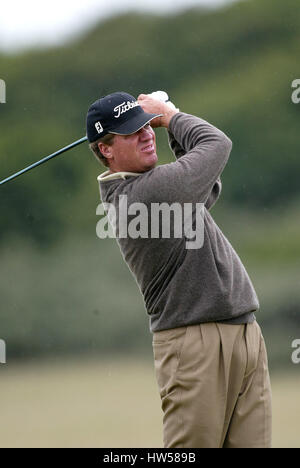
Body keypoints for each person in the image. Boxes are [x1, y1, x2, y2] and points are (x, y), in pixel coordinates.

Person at [86, 91, 272, 448]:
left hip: (243, 334)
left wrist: (167, 122)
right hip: (193, 344)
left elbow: (205, 177)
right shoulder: (138, 196)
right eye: (131, 132)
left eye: (146, 126)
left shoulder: (158, 188)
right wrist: (169, 115)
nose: (145, 134)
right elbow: (216, 144)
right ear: (106, 149)